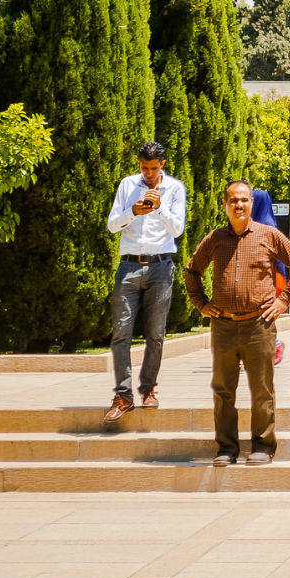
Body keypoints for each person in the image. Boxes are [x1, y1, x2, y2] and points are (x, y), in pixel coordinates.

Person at [185, 180, 290, 466]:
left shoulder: (269, 235)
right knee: (223, 390)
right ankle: (227, 448)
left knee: (262, 388)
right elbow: (192, 271)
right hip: (224, 327)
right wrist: (202, 304)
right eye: (233, 200)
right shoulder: (215, 238)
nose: (239, 205)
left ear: (252, 203)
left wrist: (283, 300)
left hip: (259, 326)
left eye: (244, 200)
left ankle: (263, 446)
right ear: (225, 204)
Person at [104, 141, 187, 422]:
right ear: (138, 164)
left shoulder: (175, 188)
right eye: (144, 167)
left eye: (153, 168)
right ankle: (123, 396)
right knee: (120, 333)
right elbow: (112, 224)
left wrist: (159, 208)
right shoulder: (127, 185)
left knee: (155, 334)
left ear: (162, 164)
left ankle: (149, 389)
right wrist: (132, 212)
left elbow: (178, 229)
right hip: (128, 266)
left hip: (161, 266)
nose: (148, 173)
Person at [251, 189, 288, 367]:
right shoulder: (253, 226)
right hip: (261, 281)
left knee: (263, 317)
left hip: (270, 281)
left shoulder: (268, 229)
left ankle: (276, 345)